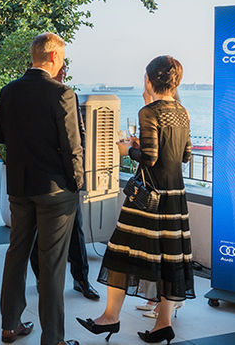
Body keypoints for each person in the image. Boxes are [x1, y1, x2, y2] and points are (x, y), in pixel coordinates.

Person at [77, 56, 194, 345]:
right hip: (174, 198)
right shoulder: (183, 112)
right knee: (170, 258)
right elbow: (185, 155)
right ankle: (163, 324)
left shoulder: (148, 112)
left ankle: (110, 317)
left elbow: (151, 158)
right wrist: (145, 147)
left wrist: (127, 149)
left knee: (120, 252)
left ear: (149, 79)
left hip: (147, 199)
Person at [0, 32, 83, 345]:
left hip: (19, 185)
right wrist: (78, 184)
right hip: (55, 191)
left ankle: (9, 325)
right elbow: (73, 147)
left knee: (16, 254)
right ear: (55, 57)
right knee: (52, 265)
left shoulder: (9, 92)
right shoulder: (62, 94)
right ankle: (53, 338)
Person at [28, 65, 100, 301]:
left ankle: (81, 280)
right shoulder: (31, 93)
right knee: (39, 233)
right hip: (40, 178)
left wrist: (78, 173)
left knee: (76, 231)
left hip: (68, 178)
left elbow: (80, 135)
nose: (63, 75)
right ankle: (40, 277)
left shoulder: (70, 94)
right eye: (61, 70)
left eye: (65, 72)